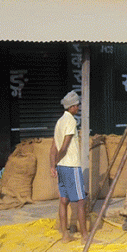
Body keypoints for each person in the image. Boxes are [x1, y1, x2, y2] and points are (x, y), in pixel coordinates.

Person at [50, 91, 88, 243]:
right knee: (80, 202)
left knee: (63, 201)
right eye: (77, 105)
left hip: (62, 168)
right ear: (71, 107)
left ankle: (65, 236)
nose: (78, 108)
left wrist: (53, 166)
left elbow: (53, 147)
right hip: (71, 166)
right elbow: (63, 148)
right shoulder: (71, 121)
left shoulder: (59, 122)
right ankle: (85, 237)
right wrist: (58, 161)